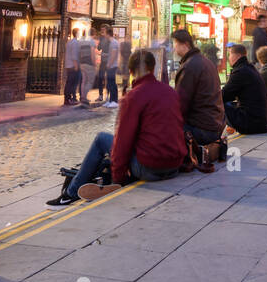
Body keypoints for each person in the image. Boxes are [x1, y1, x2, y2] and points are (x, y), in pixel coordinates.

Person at [46, 49, 188, 206]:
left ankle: (70, 193)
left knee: (101, 139)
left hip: (150, 168)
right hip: (174, 165)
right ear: (153, 68)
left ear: (131, 71)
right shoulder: (170, 92)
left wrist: (118, 179)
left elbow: (123, 141)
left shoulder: (134, 96)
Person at [171, 28, 226, 170]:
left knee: (163, 128)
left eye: (175, 44)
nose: (173, 48)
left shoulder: (190, 66)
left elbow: (180, 106)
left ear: (184, 44)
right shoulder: (204, 61)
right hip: (215, 125)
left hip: (202, 128)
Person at [221, 43, 267, 134]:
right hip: (261, 123)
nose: (229, 58)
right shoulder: (250, 68)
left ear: (238, 56)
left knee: (216, 103)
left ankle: (214, 137)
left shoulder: (240, 71)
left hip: (251, 123)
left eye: (230, 54)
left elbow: (224, 95)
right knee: (230, 104)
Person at [78, 30, 97, 107]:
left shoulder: (80, 42)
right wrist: (94, 63)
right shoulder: (91, 41)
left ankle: (83, 97)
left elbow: (79, 53)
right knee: (90, 81)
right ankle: (84, 98)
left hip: (82, 63)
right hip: (89, 63)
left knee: (84, 81)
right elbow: (92, 53)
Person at [63, 30, 82, 105]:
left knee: (69, 83)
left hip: (68, 65)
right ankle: (72, 98)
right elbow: (74, 56)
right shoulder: (75, 43)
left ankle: (67, 99)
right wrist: (76, 66)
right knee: (73, 83)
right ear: (77, 33)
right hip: (73, 66)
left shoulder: (69, 42)